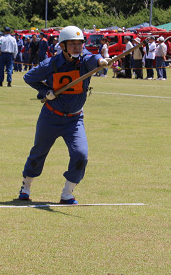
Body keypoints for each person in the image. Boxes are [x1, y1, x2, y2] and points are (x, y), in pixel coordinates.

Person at [18, 25, 108, 204]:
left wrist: (102, 61)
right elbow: (29, 77)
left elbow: (94, 58)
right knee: (38, 152)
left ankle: (67, 192)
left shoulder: (85, 60)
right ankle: (26, 186)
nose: (77, 47)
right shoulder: (51, 63)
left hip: (74, 119)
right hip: (51, 116)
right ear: (63, 46)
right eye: (72, 44)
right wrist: (45, 92)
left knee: (81, 155)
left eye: (79, 43)